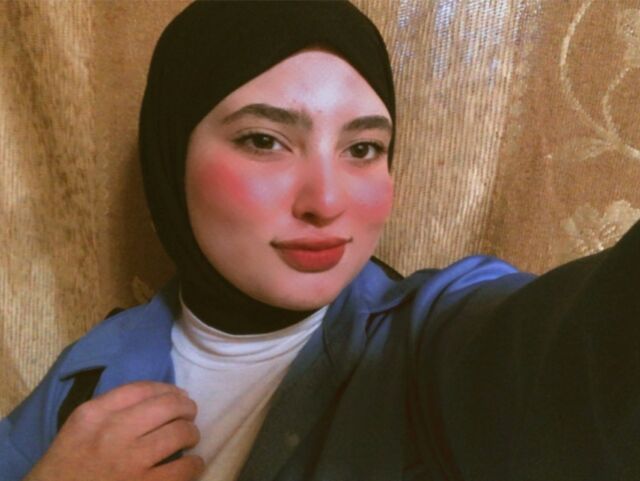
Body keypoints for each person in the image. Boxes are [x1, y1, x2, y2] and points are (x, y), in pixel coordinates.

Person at [1, 1, 639, 481]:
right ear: (171, 159)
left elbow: (582, 356)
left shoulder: (429, 339)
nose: (327, 202)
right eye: (264, 140)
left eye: (363, 149)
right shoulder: (87, 375)